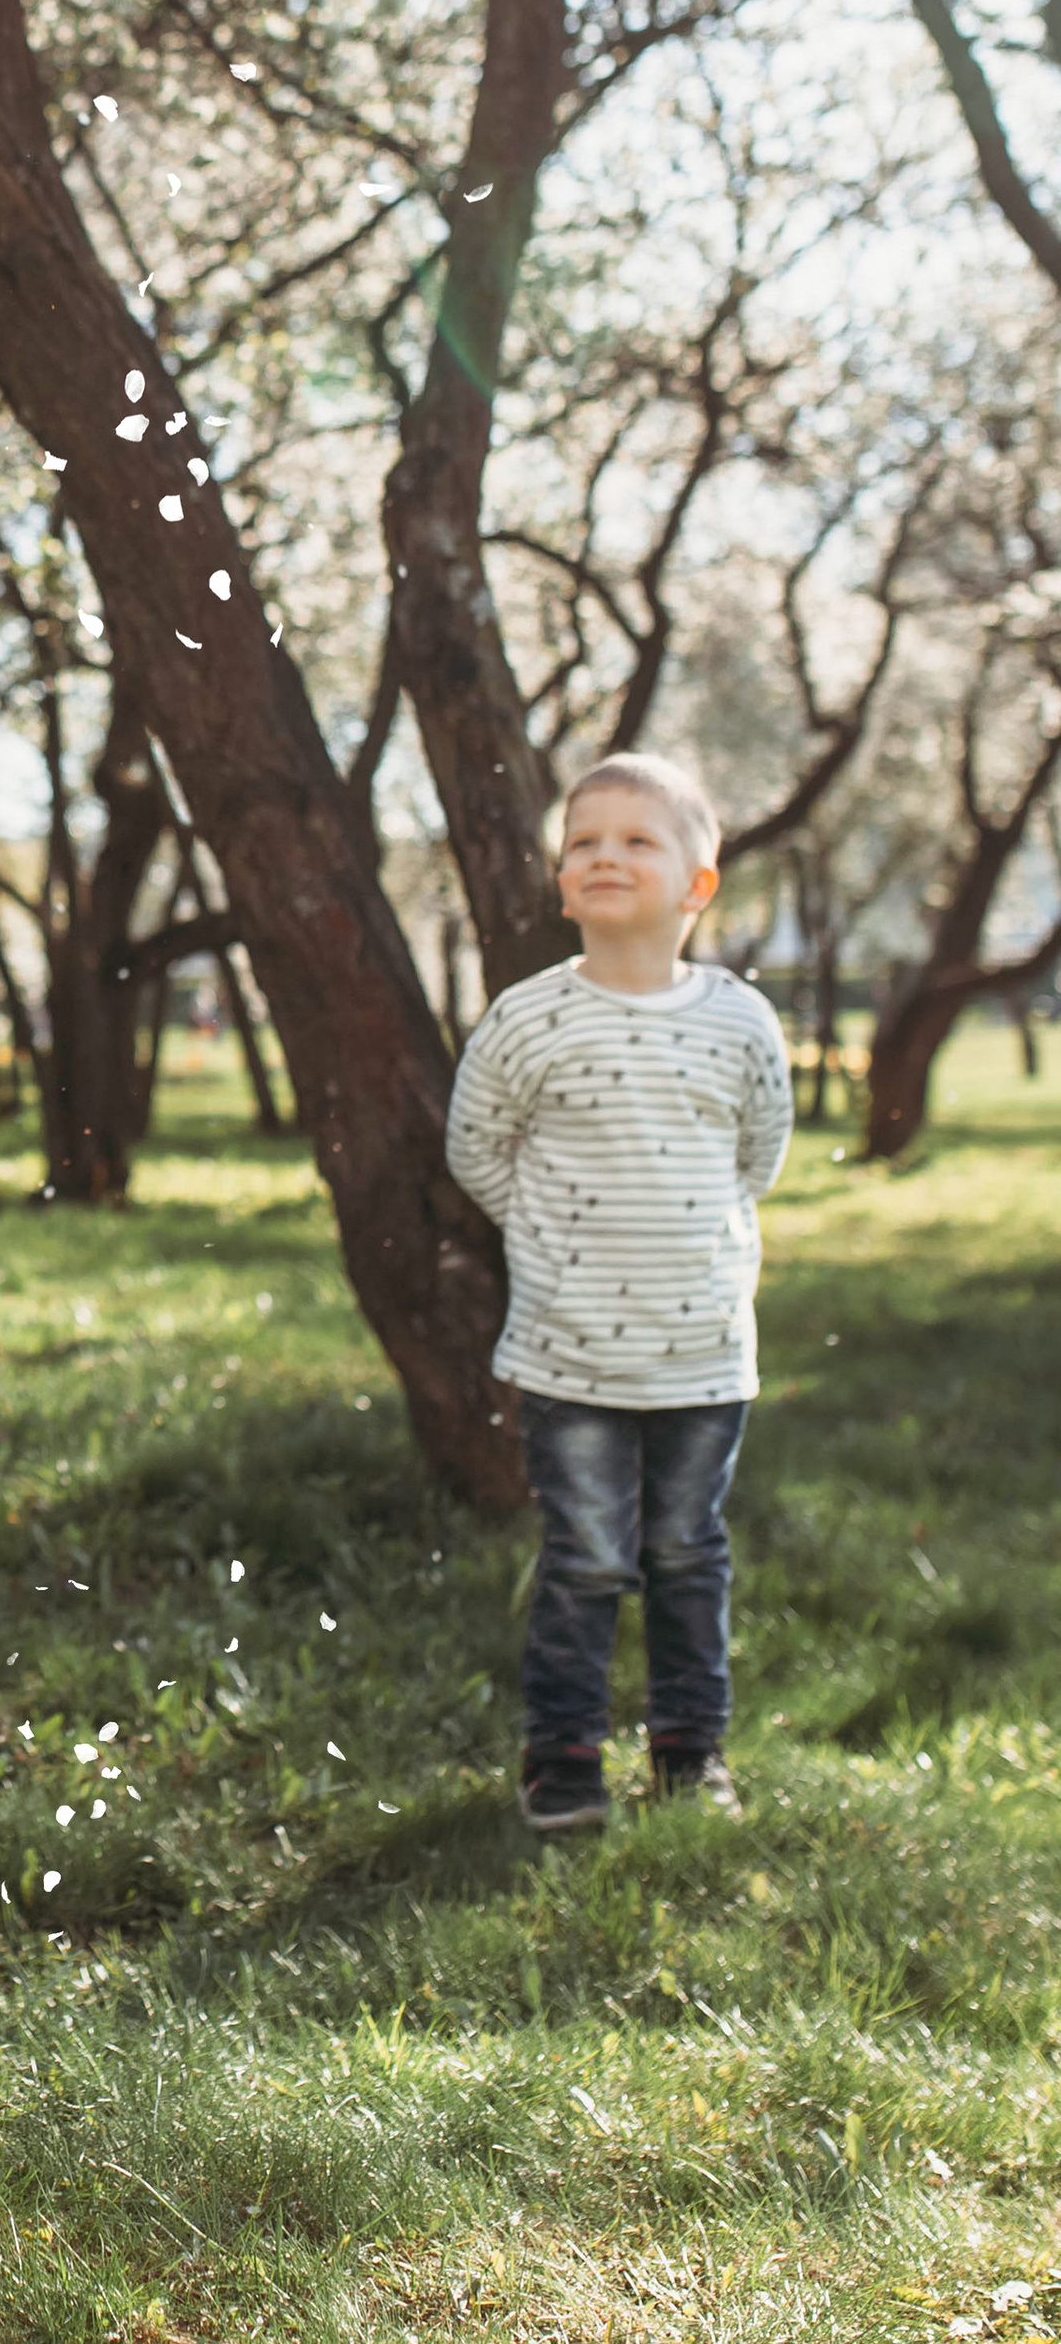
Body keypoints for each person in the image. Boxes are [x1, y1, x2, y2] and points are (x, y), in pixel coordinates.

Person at [445, 751, 794, 1838]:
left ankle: (692, 1753)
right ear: (560, 882)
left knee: (688, 1556)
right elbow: (476, 1149)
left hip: (702, 1356)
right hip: (568, 1353)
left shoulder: (738, 1020)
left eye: (637, 839)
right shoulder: (528, 1017)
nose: (604, 855)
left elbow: (758, 1156)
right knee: (586, 1561)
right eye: (583, 840)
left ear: (698, 883)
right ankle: (563, 1759)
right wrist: (555, 1241)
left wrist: (682, 1241)